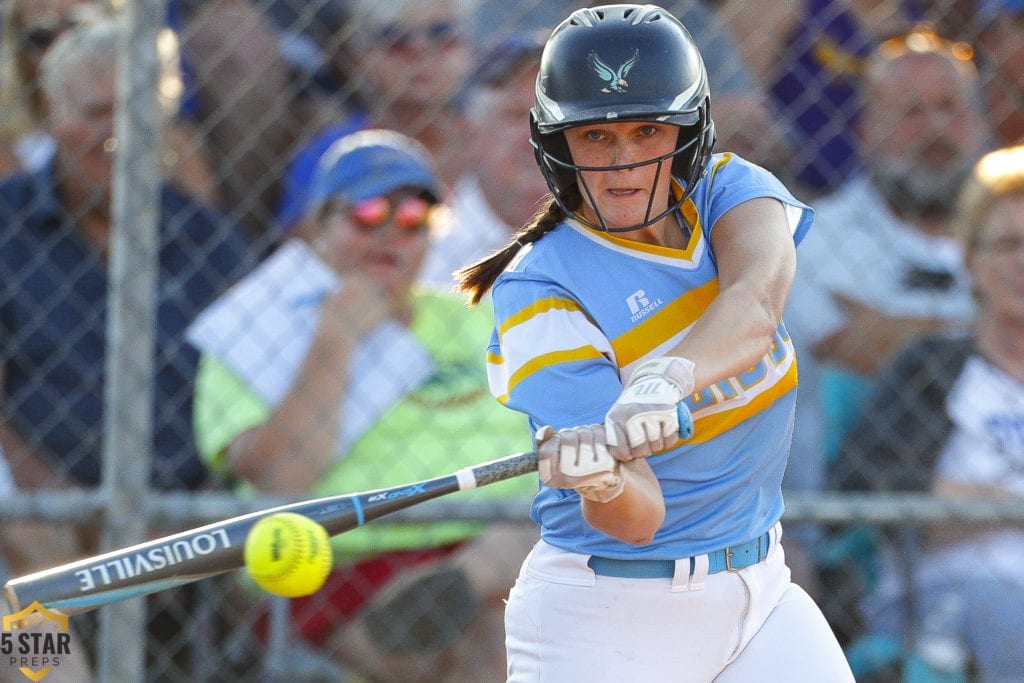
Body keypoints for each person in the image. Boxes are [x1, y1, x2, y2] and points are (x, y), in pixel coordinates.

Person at [456, 5, 853, 680]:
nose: (623, 163)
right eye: (595, 137)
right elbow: (638, 520)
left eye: (647, 131)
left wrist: (661, 380)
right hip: (609, 617)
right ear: (556, 143)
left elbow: (756, 301)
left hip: (762, 591)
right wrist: (601, 475)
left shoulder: (728, 190)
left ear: (690, 130)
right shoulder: (539, 290)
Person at [188, 129, 538, 682]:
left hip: (494, 535)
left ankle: (462, 582)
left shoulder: (475, 318)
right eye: (368, 213)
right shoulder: (254, 332)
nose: (389, 236)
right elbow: (283, 475)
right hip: (346, 567)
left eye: (412, 219)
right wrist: (336, 338)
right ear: (317, 226)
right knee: (492, 632)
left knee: (539, 547)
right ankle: (461, 589)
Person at [831, 144, 1024, 680]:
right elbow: (869, 485)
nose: (1023, 262)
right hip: (942, 597)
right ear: (970, 260)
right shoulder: (932, 370)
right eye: (1008, 244)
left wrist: (971, 504)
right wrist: (1003, 505)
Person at [783, 27, 989, 514]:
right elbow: (857, 353)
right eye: (913, 112)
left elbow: (893, 352)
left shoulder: (1010, 229)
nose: (936, 128)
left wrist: (900, 332)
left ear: (980, 126)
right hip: (855, 508)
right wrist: (996, 330)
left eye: (951, 108)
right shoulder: (815, 238)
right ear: (866, 131)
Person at [0, 0, 216, 201]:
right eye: (42, 36)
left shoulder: (170, 138)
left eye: (79, 26)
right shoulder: (8, 143)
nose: (63, 44)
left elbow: (204, 223)